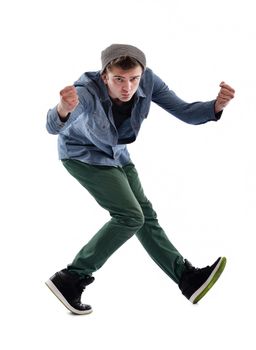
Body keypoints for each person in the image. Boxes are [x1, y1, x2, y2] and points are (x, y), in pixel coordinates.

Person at [45, 43, 235, 315]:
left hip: (117, 154)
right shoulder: (85, 93)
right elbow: (52, 126)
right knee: (130, 216)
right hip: (82, 156)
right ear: (104, 77)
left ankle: (186, 279)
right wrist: (63, 108)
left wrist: (215, 106)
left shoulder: (149, 81)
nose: (127, 87)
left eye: (134, 79)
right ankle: (71, 278)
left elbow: (185, 111)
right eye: (119, 80)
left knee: (145, 215)